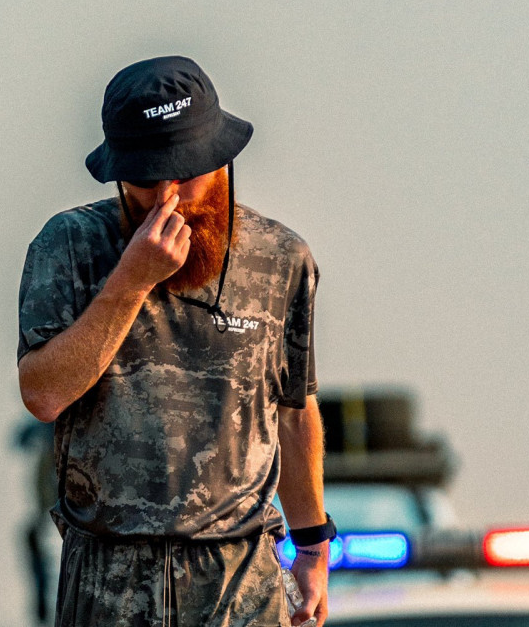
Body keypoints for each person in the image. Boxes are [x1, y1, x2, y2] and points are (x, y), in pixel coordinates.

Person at [17, 56, 332, 627]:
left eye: (186, 173)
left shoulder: (283, 259)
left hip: (240, 577)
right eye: (146, 178)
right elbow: (43, 395)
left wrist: (312, 547)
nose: (169, 195)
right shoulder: (68, 246)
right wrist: (132, 279)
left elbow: (293, 411)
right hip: (107, 576)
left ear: (221, 158)